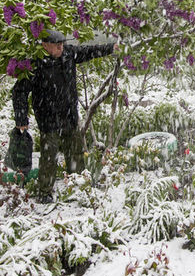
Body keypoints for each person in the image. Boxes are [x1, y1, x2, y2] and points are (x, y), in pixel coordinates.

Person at [12, 30, 118, 203]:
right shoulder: (35, 64)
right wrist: (21, 119)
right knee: (49, 157)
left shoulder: (68, 54)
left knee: (75, 152)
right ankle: (45, 192)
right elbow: (19, 92)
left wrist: (111, 48)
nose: (61, 47)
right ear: (45, 45)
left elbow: (89, 51)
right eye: (56, 45)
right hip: (48, 118)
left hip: (69, 115)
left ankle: (78, 183)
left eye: (62, 43)